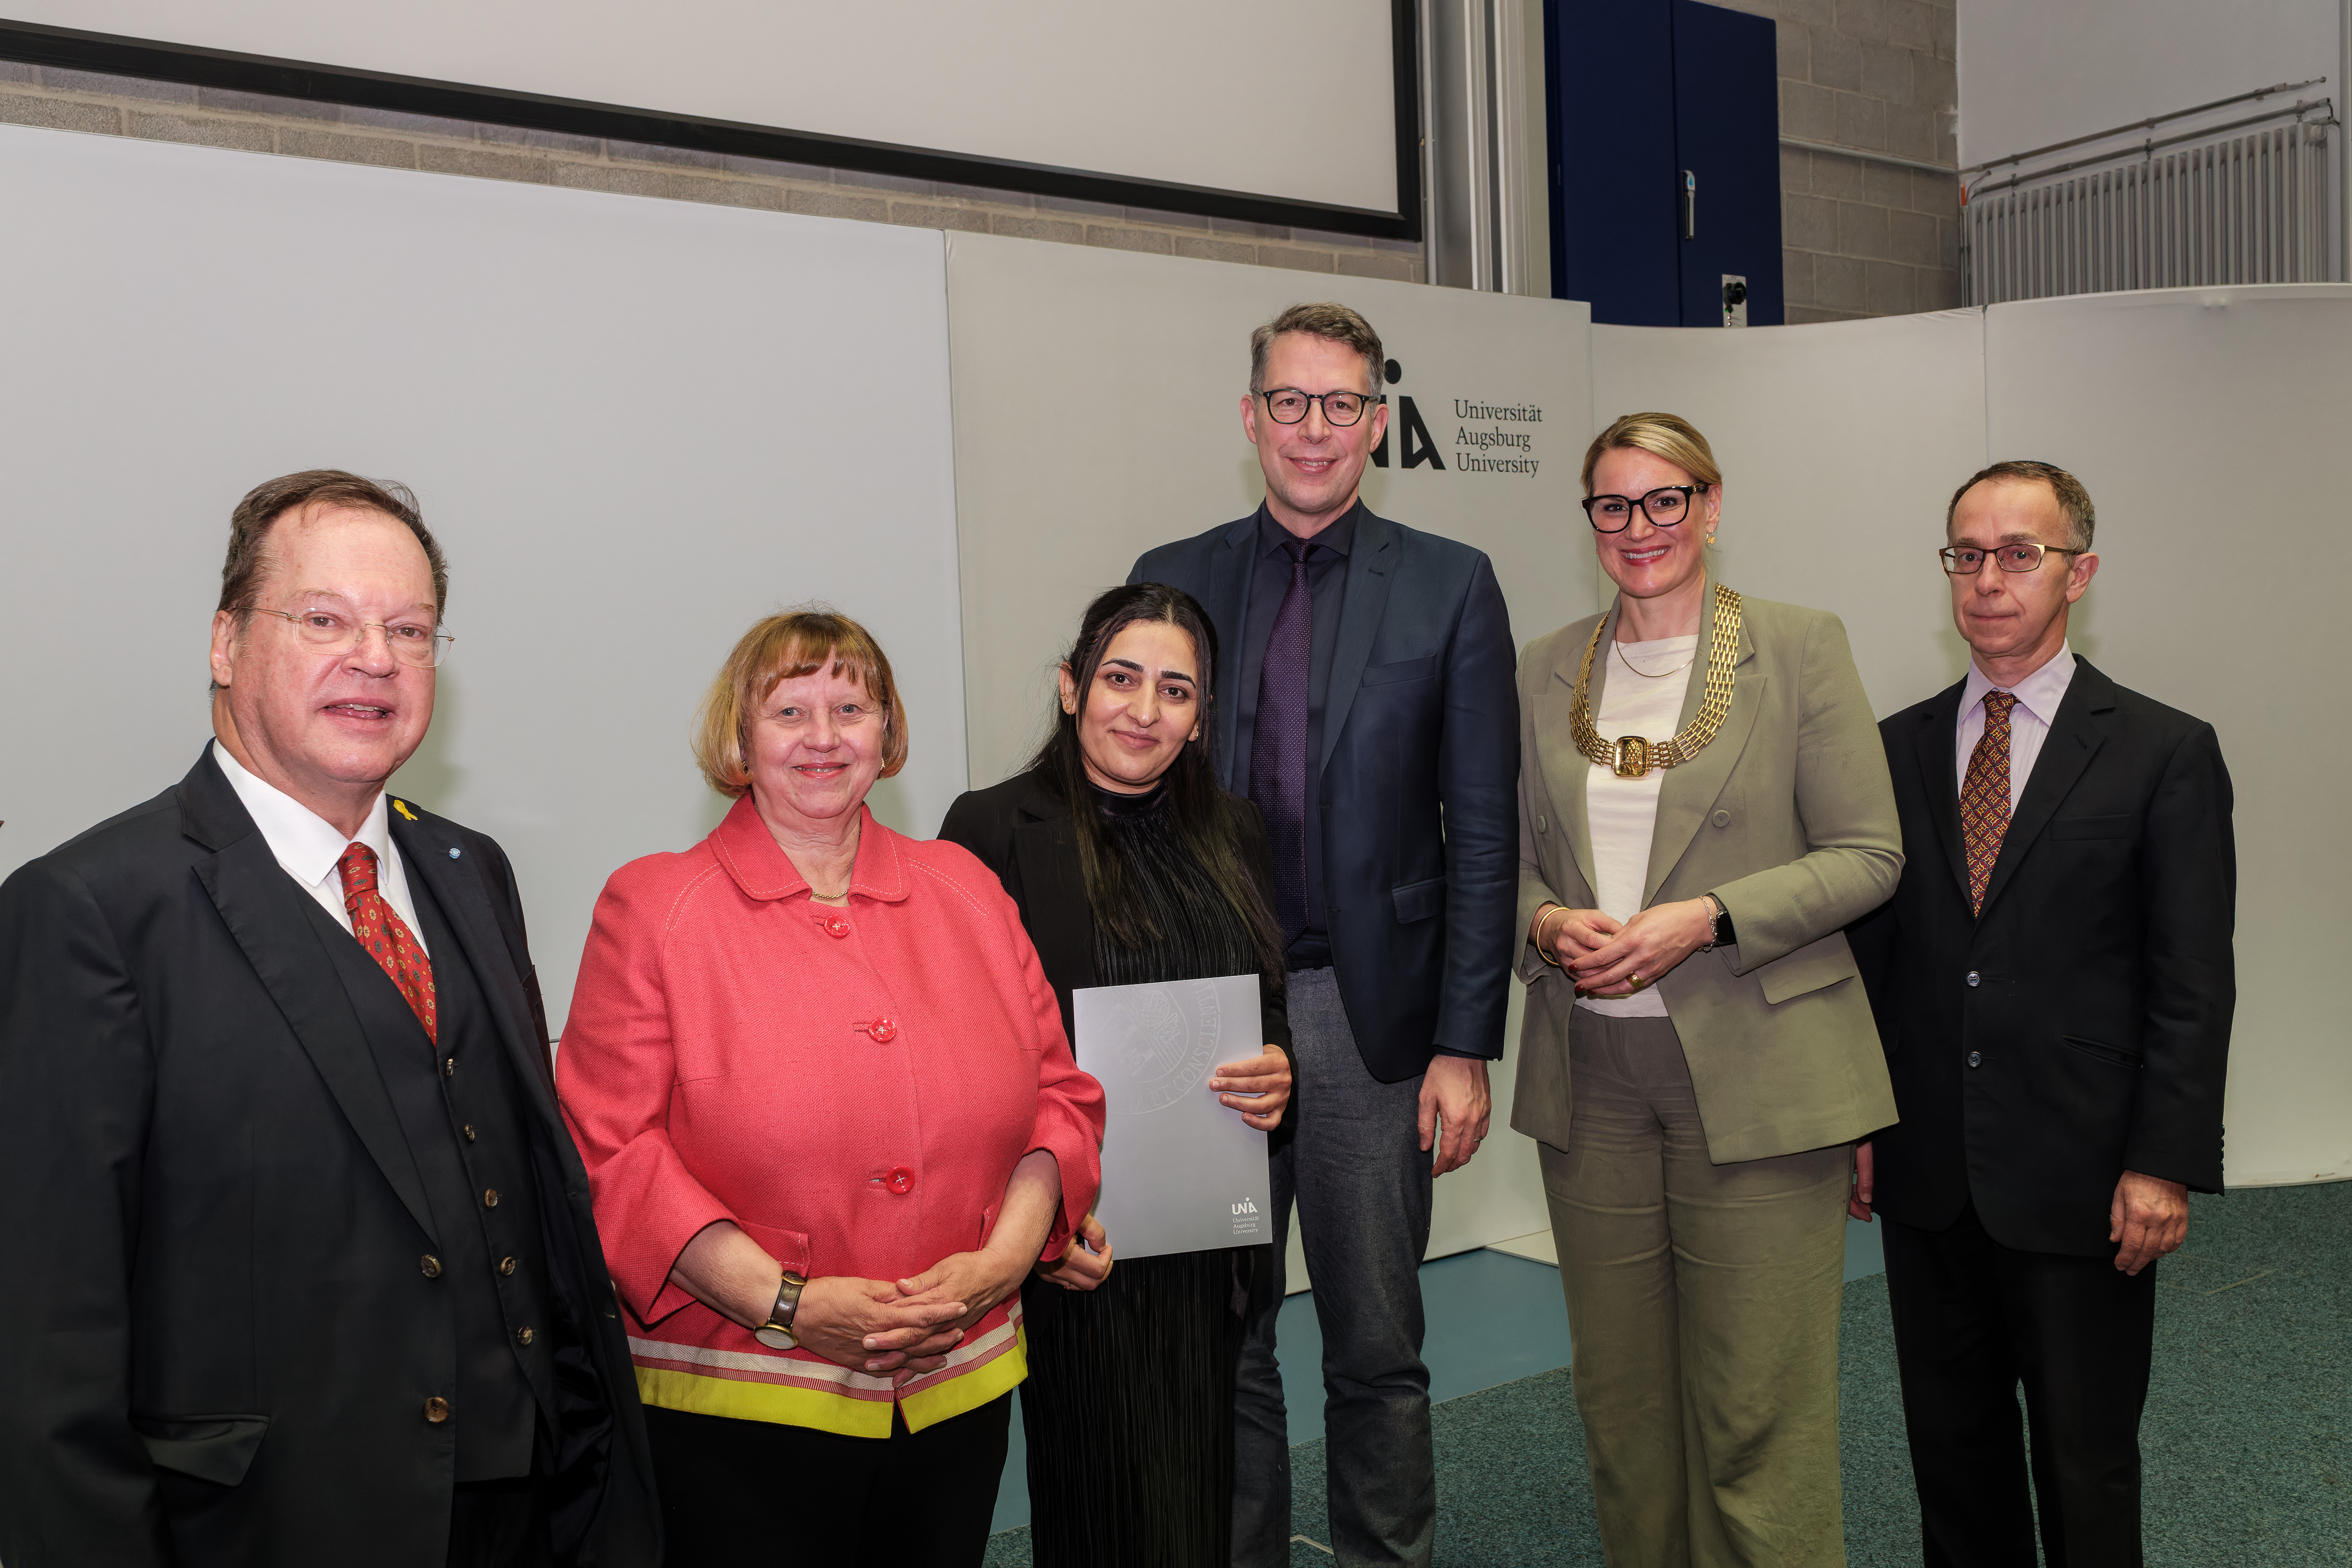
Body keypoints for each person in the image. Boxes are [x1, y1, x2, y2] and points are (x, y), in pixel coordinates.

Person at [0, 471, 660, 1567]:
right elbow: (46, 1348)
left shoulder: (468, 871)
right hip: (269, 1528)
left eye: (410, 629)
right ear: (224, 643)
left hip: (525, 1508)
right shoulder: (88, 911)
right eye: (324, 620)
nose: (376, 658)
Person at [555, 607, 1106, 1566]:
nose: (823, 738)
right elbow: (615, 1154)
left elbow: (1059, 1101)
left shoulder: (967, 889)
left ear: (887, 735)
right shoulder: (654, 908)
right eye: (789, 711)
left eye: (850, 707)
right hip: (744, 1394)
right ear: (739, 738)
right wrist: (787, 1305)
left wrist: (1004, 1264)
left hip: (958, 1379)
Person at [1129, 301, 1518, 1566]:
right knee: (1225, 1341)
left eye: (1341, 405)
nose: (1314, 430)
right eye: (1289, 403)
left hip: (1371, 1022)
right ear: (1251, 419)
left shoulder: (1452, 585)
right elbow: (1130, 796)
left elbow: (1485, 827)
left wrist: (1466, 1043)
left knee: (1375, 1346)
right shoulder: (1173, 579)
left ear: (1377, 424)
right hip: (1209, 1018)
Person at [1514, 412, 1902, 1565]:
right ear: (1590, 519)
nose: (1641, 528)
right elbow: (1500, 859)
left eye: (1666, 500)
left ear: (1713, 506)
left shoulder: (1799, 645)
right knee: (1625, 1417)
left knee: (1755, 1421)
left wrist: (1710, 918)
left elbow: (1870, 855)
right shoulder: (1543, 667)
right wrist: (1541, 919)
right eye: (1614, 506)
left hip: (1761, 1072)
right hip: (1591, 1086)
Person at [1849, 460, 2234, 1567]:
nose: (1987, 579)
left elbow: (2193, 978)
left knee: (2086, 1460)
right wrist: (1866, 1125)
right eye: (1966, 554)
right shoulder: (1896, 747)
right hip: (1928, 1175)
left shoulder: (2165, 751)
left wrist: (2163, 1160)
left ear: (2081, 573)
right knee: (1952, 1458)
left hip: (2085, 1178)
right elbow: (1880, 963)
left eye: (2021, 553)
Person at [941, 582, 1297, 1567]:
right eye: (1121, 679)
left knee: (1199, 1496)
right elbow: (966, 1049)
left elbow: (1265, 1002)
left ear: (1201, 717)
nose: (1145, 710)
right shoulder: (990, 831)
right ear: (1070, 687)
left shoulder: (1232, 830)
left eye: (1176, 691)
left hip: (1203, 1235)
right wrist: (1035, 1228)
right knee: (1097, 1496)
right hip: (1076, 1240)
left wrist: (1280, 1068)